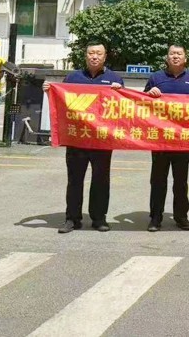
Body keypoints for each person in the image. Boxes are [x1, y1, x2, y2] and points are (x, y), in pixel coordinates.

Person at [43, 42, 124, 234]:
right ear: (85, 55)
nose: (94, 56)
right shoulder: (73, 77)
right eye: (91, 53)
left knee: (101, 180)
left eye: (99, 53)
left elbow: (123, 108)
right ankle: (72, 219)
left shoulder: (114, 78)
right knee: (74, 180)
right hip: (77, 139)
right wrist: (49, 90)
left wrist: (119, 91)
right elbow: (62, 103)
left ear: (105, 56)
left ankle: (99, 218)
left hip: (102, 140)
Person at [144, 44, 189, 232]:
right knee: (158, 181)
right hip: (160, 139)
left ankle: (181, 217)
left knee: (181, 182)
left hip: (183, 139)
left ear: (185, 58)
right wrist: (149, 94)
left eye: (179, 54)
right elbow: (141, 102)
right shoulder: (156, 78)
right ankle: (155, 218)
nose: (175, 56)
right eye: (172, 53)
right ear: (167, 57)